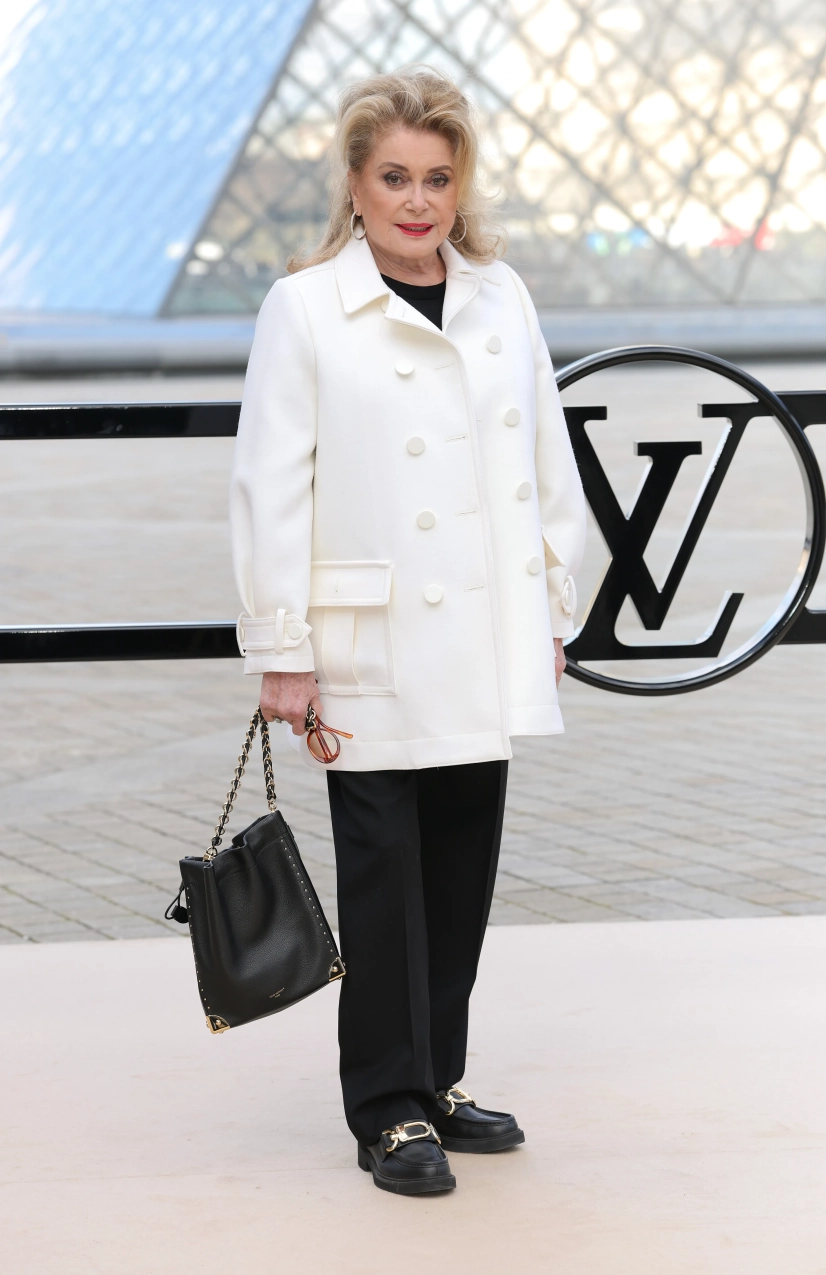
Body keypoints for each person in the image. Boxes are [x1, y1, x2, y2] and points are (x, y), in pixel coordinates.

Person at [230, 66, 586, 1196]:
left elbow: (547, 463)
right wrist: (281, 650)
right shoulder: (304, 307)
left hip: (481, 637)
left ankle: (436, 1078)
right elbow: (270, 488)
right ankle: (385, 1108)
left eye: (437, 178)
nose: (418, 201)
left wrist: (553, 610)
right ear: (355, 182)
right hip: (367, 642)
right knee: (384, 880)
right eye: (394, 177)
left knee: (460, 871)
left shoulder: (501, 296)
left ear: (459, 184)